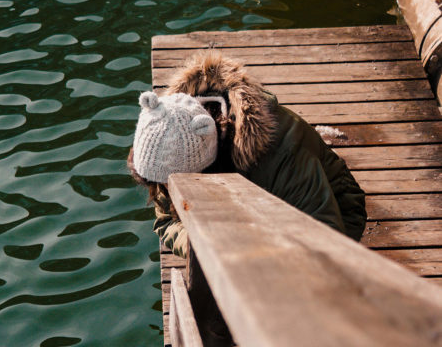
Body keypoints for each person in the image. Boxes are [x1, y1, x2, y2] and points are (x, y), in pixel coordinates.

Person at [128, 48, 367, 258]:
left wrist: (249, 252)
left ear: (200, 168)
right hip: (250, 218)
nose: (165, 191)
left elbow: (327, 236)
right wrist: (197, 245)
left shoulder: (283, 151)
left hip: (334, 213)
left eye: (169, 185)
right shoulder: (167, 146)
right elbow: (166, 220)